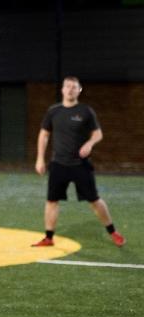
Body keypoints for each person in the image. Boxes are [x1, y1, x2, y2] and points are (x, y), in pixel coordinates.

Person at [32, 76, 126, 248]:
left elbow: (98, 134)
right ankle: (48, 237)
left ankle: (113, 232)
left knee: (94, 200)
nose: (70, 89)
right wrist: (40, 158)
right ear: (62, 89)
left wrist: (89, 144)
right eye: (67, 86)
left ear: (79, 90)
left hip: (81, 165)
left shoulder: (85, 111)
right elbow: (44, 135)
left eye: (74, 87)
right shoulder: (53, 111)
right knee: (52, 201)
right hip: (58, 165)